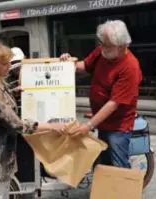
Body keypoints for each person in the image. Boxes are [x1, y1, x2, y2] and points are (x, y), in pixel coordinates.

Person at [0, 42, 66, 199]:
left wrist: (13, 94)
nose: (8, 67)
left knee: (0, 192)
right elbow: (17, 124)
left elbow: (0, 109)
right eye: (4, 63)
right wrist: (52, 126)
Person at [60, 20, 142, 168]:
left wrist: (89, 125)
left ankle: (123, 190)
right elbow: (84, 65)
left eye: (107, 45)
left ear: (122, 46)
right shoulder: (102, 52)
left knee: (118, 166)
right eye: (101, 43)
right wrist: (68, 63)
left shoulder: (130, 67)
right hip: (102, 121)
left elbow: (113, 104)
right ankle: (105, 190)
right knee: (103, 163)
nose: (102, 47)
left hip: (118, 126)